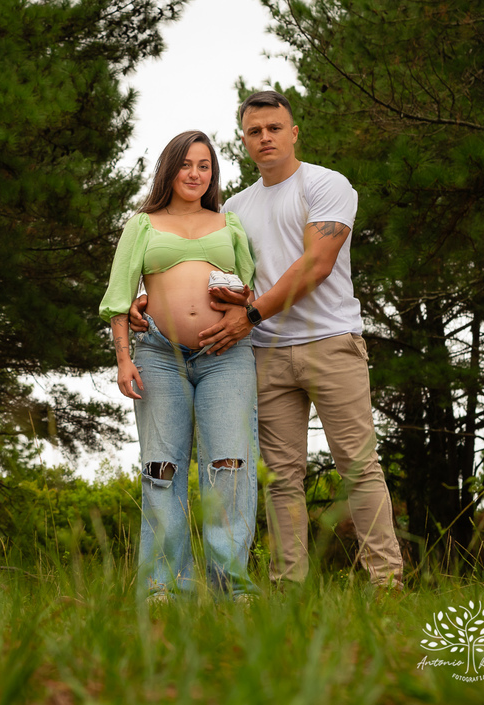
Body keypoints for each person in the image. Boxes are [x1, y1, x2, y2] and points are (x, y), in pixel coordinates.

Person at [130, 91, 403, 589]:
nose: (265, 138)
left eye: (274, 128)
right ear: (244, 141)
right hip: (266, 352)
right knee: (281, 477)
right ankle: (287, 587)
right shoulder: (236, 208)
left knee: (359, 467)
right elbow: (210, 270)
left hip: (330, 341)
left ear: (293, 133)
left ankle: (386, 583)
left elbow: (316, 264)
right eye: (254, 131)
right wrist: (150, 300)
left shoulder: (326, 184)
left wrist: (251, 314)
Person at [100, 130, 260, 601]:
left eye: (204, 165)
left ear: (213, 173)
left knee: (230, 465)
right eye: (186, 164)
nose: (195, 173)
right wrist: (124, 360)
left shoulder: (229, 223)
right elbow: (118, 297)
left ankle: (231, 586)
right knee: (160, 468)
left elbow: (250, 290)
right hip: (158, 355)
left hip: (225, 356)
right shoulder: (142, 225)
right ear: (169, 170)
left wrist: (239, 303)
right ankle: (164, 587)